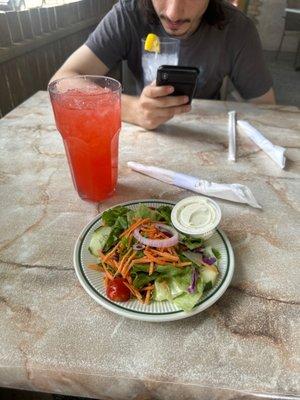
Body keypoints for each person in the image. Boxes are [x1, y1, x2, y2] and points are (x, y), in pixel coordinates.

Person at [50, 0, 275, 130]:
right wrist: (131, 109)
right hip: (138, 135)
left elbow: (269, 111)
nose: (172, 13)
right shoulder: (127, 14)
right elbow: (61, 82)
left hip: (208, 134)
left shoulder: (237, 28)